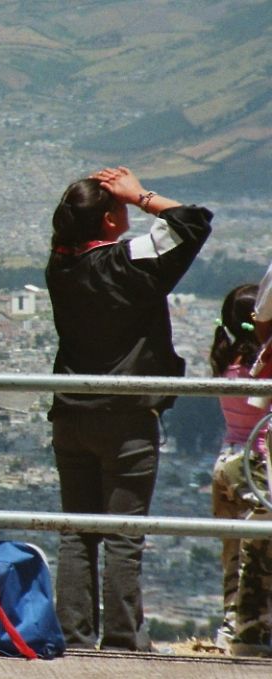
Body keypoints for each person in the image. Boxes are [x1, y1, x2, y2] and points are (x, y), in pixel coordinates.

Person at [46, 166, 212, 651]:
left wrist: (112, 204)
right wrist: (140, 194)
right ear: (110, 222)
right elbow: (191, 222)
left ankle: (73, 636)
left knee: (77, 531)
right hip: (126, 419)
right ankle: (122, 641)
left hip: (71, 413)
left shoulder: (59, 266)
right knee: (124, 534)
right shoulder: (128, 262)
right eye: (117, 210)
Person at [210, 284, 272, 656]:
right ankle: (252, 634)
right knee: (260, 552)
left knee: (233, 553)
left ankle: (230, 628)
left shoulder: (224, 360)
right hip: (254, 463)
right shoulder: (260, 366)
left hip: (224, 461)